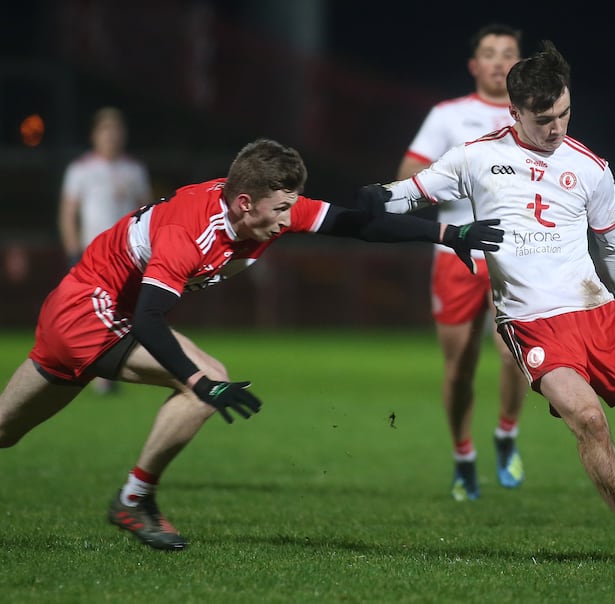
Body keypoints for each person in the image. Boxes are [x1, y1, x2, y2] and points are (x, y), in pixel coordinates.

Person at [0, 138, 503, 552]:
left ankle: (135, 496)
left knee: (5, 431)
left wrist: (447, 232)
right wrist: (198, 382)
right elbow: (152, 320)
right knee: (207, 382)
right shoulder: (190, 231)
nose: (288, 220)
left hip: (96, 310)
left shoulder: (267, 204)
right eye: (281, 210)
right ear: (245, 203)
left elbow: (358, 225)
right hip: (88, 313)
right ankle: (134, 499)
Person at [370, 41, 615, 567]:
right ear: (515, 111)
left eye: (565, 113)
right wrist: (371, 200)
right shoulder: (477, 157)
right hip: (532, 323)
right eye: (545, 118)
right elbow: (409, 193)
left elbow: (613, 245)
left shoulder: (591, 167)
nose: (558, 127)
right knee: (589, 420)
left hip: (599, 312)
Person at [396, 23, 528, 502]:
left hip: (515, 252)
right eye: (488, 53)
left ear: (520, 64)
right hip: (457, 253)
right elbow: (408, 175)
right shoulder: (448, 116)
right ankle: (464, 455)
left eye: (507, 53)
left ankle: (507, 433)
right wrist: (463, 175)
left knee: (517, 352)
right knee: (460, 368)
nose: (497, 61)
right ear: (474, 66)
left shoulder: (532, 117)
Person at [58, 106, 152, 394]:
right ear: (95, 134)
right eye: (105, 130)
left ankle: (107, 372)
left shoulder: (134, 169)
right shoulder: (80, 169)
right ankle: (91, 371)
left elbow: (148, 210)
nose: (111, 136)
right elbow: (68, 212)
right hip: (93, 253)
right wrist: (73, 249)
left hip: (128, 254)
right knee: (94, 313)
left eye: (116, 130)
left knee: (124, 313)